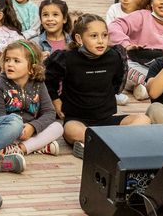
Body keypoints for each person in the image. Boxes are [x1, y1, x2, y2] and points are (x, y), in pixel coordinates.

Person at [45, 14, 131, 156]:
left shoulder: (115, 56)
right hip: (78, 121)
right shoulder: (67, 58)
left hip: (107, 121)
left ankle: (94, 145)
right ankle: (113, 145)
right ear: (79, 39)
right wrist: (56, 100)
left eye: (104, 35)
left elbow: (117, 83)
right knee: (70, 130)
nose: (100, 41)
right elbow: (48, 81)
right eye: (93, 36)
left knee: (143, 120)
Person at [0, 40, 63, 156]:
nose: (10, 64)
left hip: (31, 131)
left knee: (58, 127)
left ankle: (20, 149)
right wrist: (14, 129)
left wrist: (33, 127)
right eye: (7, 60)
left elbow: (49, 112)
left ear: (31, 68)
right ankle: (39, 147)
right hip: (8, 130)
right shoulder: (0, 84)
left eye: (16, 61)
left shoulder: (38, 84)